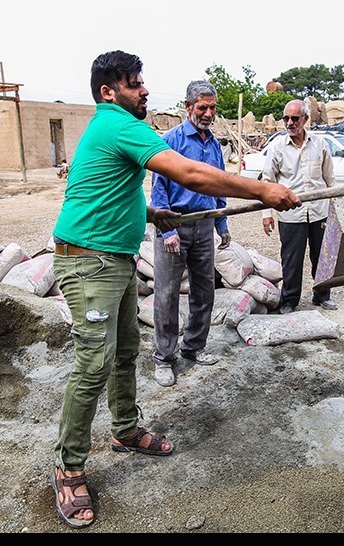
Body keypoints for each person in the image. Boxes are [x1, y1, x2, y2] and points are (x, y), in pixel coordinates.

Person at [49, 50, 299, 529]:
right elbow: (186, 173)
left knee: (125, 352)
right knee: (94, 362)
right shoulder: (118, 123)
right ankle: (68, 465)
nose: (144, 90)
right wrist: (263, 190)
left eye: (142, 82)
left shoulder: (110, 129)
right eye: (135, 83)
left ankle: (124, 430)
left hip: (113, 259)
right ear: (109, 91)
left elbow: (95, 191)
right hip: (88, 263)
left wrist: (149, 214)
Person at [150, 80, 230, 387]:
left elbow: (220, 185)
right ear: (188, 107)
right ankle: (164, 358)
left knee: (204, 291)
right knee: (167, 295)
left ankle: (194, 346)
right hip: (175, 226)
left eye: (212, 108)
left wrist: (221, 224)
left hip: (204, 225)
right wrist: (166, 230)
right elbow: (159, 186)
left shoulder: (213, 144)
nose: (208, 113)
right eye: (202, 107)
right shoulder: (170, 140)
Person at [261, 99, 337, 314]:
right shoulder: (277, 148)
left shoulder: (320, 144)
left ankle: (322, 295)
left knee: (322, 257)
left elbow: (330, 179)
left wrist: (335, 209)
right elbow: (267, 182)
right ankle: (289, 300)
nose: (290, 122)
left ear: (305, 119)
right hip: (290, 215)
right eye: (286, 118)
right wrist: (267, 214)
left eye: (295, 118)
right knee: (291, 260)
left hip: (319, 212)